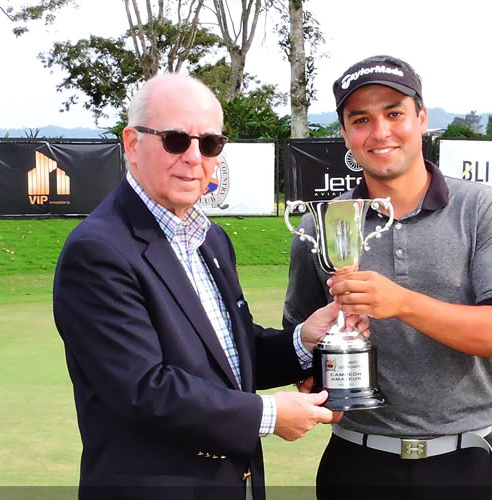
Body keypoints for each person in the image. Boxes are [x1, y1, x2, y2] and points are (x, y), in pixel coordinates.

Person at [53, 74, 351, 500]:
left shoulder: (210, 240)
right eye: (176, 139)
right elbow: (143, 390)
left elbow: (229, 357)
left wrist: (303, 341)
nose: (194, 157)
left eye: (209, 143)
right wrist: (267, 415)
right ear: (132, 144)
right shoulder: (98, 250)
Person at [283, 55, 492, 500]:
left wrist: (400, 303)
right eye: (361, 119)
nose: (380, 132)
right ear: (345, 133)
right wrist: (324, 376)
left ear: (421, 119)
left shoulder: (478, 208)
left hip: (464, 464)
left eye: (394, 113)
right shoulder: (322, 226)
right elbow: (302, 353)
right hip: (355, 465)